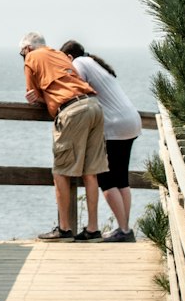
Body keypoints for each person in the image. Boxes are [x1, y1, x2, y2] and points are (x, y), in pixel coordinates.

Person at [19, 31, 109, 242]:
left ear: (27, 49)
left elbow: (32, 95)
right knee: (90, 172)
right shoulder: (60, 55)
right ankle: (93, 228)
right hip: (93, 106)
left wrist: (38, 97)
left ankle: (64, 228)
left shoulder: (31, 58)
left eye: (21, 53)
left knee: (61, 171)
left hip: (71, 111)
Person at [60, 41, 142, 242]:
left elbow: (73, 89)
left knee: (106, 180)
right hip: (131, 120)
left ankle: (124, 230)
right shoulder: (93, 63)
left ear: (69, 57)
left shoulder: (79, 63)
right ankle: (124, 228)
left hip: (114, 125)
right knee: (121, 179)